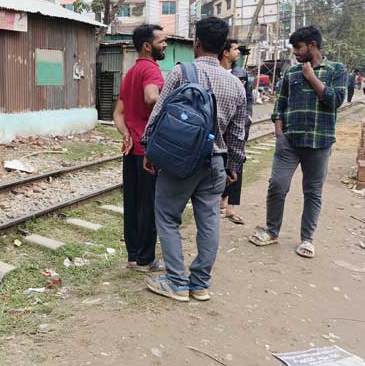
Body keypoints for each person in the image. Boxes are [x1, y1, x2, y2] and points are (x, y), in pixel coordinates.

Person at [141, 17, 248, 302]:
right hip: (216, 162)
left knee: (167, 215)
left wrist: (150, 150)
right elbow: (239, 133)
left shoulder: (181, 72)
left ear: (196, 43)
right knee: (209, 220)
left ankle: (176, 282)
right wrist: (234, 166)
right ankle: (199, 284)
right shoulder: (236, 84)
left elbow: (159, 115)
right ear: (224, 46)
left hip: (179, 161)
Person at [249, 26, 347, 258]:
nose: (295, 53)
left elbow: (336, 101)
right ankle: (272, 231)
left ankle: (307, 239)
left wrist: (312, 77)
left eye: (298, 48)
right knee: (277, 185)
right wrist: (279, 131)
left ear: (312, 45)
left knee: (312, 192)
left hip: (319, 143)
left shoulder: (336, 70)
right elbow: (280, 104)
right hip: (289, 143)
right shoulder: (291, 74)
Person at [113, 24, 167, 273]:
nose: (164, 45)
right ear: (148, 45)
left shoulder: (131, 72)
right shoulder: (152, 70)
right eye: (161, 41)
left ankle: (134, 256)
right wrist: (171, 100)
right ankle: (146, 260)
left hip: (131, 148)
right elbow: (151, 97)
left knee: (133, 204)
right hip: (149, 151)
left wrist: (126, 134)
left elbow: (118, 114)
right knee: (150, 204)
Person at [218, 39, 253, 224]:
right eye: (234, 49)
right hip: (219, 127)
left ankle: (231, 207)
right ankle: (219, 202)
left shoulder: (241, 74)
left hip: (237, 126)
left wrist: (247, 119)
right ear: (225, 52)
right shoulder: (215, 73)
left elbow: (248, 100)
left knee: (237, 163)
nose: (238, 52)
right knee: (219, 163)